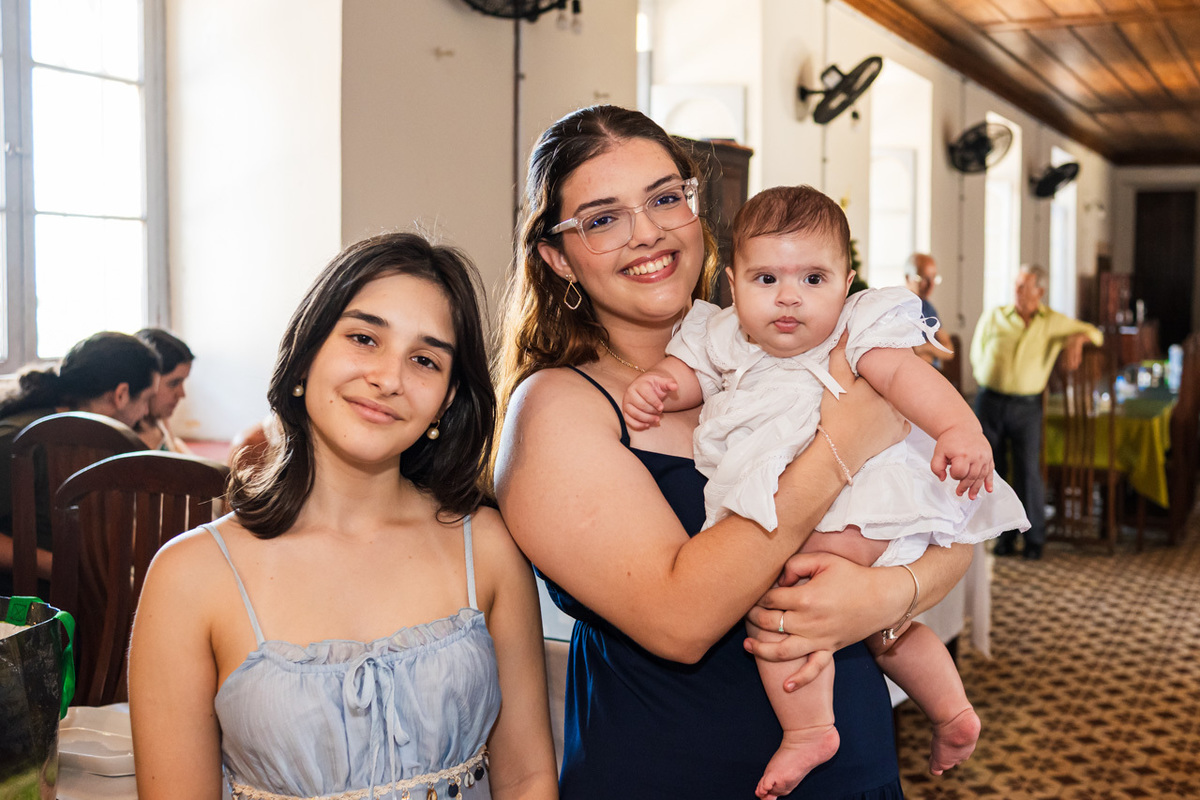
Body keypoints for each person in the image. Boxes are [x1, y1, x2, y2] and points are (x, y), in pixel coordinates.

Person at [492, 104, 974, 800]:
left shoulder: (793, 345)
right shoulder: (557, 409)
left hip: (853, 767)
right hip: (678, 775)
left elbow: (949, 520)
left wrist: (882, 594)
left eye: (664, 198)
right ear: (558, 257)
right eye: (602, 218)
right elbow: (681, 620)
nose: (648, 231)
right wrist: (842, 443)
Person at [621, 185, 1029, 798]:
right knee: (882, 629)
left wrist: (959, 428)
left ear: (847, 282)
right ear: (733, 283)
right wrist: (660, 386)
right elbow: (688, 374)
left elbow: (907, 378)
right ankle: (950, 710)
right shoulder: (723, 335)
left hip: (859, 502)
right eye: (766, 279)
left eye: (813, 278)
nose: (789, 296)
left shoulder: (856, 332)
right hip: (816, 503)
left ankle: (811, 729)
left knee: (787, 604)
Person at [129, 233, 558, 799]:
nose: (388, 378)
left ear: (448, 400)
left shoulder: (487, 545)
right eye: (363, 338)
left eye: (425, 360)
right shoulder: (190, 577)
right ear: (307, 352)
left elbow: (527, 777)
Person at [0, 331, 160, 595]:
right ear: (120, 395)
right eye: (146, 400)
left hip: (84, 595)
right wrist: (62, 569)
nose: (146, 412)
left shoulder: (104, 442)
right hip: (28, 608)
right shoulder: (19, 441)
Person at [971, 263, 1104, 560]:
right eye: (1016, 285)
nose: (1016, 291)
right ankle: (1000, 538)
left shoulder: (1051, 321)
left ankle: (1034, 540)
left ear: (1039, 291)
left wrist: (1077, 339)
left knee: (1029, 473)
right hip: (989, 402)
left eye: (1023, 286)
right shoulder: (995, 316)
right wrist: (986, 377)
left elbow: (1096, 334)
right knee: (992, 473)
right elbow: (976, 352)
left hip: (1027, 407)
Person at [134, 328, 195, 453]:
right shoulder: (129, 438)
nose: (182, 394)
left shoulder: (160, 418)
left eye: (182, 382)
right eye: (173, 383)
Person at [904, 253, 953, 367]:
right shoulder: (899, 307)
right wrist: (932, 349)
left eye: (933, 278)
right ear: (908, 277)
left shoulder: (927, 307)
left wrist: (923, 347)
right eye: (924, 278)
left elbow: (949, 350)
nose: (931, 284)